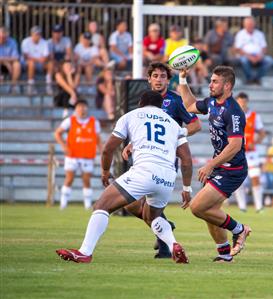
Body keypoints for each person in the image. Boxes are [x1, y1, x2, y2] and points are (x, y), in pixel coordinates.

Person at [56, 90, 191, 264]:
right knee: (152, 217)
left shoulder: (131, 116)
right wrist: (187, 188)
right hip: (167, 177)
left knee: (102, 205)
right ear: (160, 106)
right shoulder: (173, 124)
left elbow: (108, 149)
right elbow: (186, 160)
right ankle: (174, 245)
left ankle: (85, 252)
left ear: (140, 103)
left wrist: (105, 171)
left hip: (144, 170)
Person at [121, 62, 201, 259]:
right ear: (148, 79)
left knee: (152, 206)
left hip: (164, 162)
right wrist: (132, 143)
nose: (158, 79)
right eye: (155, 76)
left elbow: (196, 125)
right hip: (143, 158)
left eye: (162, 76)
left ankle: (166, 247)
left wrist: (175, 138)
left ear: (168, 79)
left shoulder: (175, 101)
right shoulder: (145, 101)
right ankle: (165, 226)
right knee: (130, 204)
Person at [180, 65, 252, 262]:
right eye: (211, 80)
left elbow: (235, 145)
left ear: (227, 85)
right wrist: (183, 80)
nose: (210, 84)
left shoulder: (234, 111)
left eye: (215, 81)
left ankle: (240, 230)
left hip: (233, 170)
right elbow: (190, 106)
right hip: (220, 166)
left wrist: (211, 164)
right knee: (210, 212)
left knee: (197, 207)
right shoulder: (212, 102)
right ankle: (225, 255)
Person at [54, 100, 102, 210]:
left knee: (86, 180)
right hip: (72, 155)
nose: (82, 109)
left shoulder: (94, 122)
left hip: (87, 155)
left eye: (84, 107)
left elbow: (98, 140)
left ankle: (87, 205)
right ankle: (63, 204)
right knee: (69, 178)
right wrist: (64, 146)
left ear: (87, 108)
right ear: (76, 109)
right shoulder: (70, 121)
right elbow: (57, 133)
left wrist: (102, 152)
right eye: (80, 107)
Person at [233, 92, 266, 213]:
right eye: (240, 102)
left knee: (255, 177)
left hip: (251, 152)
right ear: (237, 102)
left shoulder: (254, 116)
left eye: (244, 102)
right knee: (238, 179)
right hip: (237, 152)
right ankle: (242, 206)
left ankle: (259, 206)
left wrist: (256, 142)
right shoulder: (233, 114)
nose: (242, 104)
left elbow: (262, 133)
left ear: (247, 102)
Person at [234, 17, 273, 85]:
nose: (250, 25)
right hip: (245, 56)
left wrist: (260, 55)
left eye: (251, 24)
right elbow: (238, 49)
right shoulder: (240, 34)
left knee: (269, 60)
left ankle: (257, 78)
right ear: (244, 25)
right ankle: (249, 79)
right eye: (248, 24)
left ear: (254, 24)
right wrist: (249, 57)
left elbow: (264, 47)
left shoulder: (259, 34)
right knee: (244, 60)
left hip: (258, 55)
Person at [21, 26, 52, 94]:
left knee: (50, 64)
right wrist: (38, 60)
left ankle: (48, 84)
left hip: (40, 63)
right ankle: (30, 86)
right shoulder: (25, 41)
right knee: (31, 63)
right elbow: (26, 56)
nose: (37, 36)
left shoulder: (44, 42)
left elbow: (46, 56)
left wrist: (42, 60)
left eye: (39, 34)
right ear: (31, 34)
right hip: (28, 63)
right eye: (36, 34)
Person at [0, 26, 21, 93]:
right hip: (5, 64)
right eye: (1, 37)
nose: (2, 39)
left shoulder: (12, 42)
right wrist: (5, 63)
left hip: (10, 65)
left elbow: (16, 57)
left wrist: (6, 62)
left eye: (4, 37)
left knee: (17, 65)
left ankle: (13, 86)